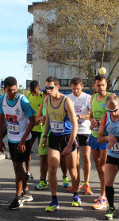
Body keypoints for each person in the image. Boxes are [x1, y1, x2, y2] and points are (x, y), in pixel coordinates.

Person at [41, 76, 80, 212]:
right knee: (52, 168)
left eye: (50, 87)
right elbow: (48, 119)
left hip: (68, 137)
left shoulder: (66, 101)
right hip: (54, 138)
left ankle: (76, 194)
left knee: (72, 170)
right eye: (46, 87)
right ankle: (54, 200)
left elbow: (75, 124)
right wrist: (45, 136)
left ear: (57, 87)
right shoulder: (46, 100)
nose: (48, 90)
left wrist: (70, 145)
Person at [0, 76, 36, 210]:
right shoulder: (2, 99)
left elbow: (33, 120)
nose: (12, 93)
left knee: (18, 168)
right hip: (11, 139)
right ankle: (27, 192)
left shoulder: (22, 101)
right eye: (9, 91)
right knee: (17, 168)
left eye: (15, 90)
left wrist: (23, 139)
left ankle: (17, 198)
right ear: (4, 90)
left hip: (23, 140)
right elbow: (1, 120)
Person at [66, 77, 93, 195]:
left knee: (86, 158)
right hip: (73, 132)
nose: (75, 91)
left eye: (77, 89)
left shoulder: (87, 98)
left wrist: (79, 117)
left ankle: (86, 184)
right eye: (73, 89)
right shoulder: (68, 98)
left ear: (82, 86)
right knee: (74, 161)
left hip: (85, 131)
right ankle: (76, 183)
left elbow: (91, 114)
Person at [89, 75, 112, 209]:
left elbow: (115, 113)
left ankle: (104, 195)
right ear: (94, 86)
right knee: (98, 165)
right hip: (94, 135)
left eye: (103, 85)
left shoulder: (110, 97)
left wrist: (103, 122)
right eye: (98, 85)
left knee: (103, 165)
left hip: (106, 136)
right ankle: (104, 191)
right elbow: (91, 114)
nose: (101, 87)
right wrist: (91, 120)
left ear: (106, 85)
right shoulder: (92, 98)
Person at [25, 80, 44, 181]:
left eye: (35, 91)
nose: (33, 93)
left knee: (42, 153)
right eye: (31, 91)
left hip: (41, 128)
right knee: (27, 150)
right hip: (31, 127)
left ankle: (43, 176)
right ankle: (27, 172)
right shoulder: (28, 95)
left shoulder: (43, 96)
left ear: (39, 88)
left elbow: (45, 111)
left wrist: (38, 119)